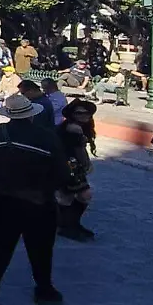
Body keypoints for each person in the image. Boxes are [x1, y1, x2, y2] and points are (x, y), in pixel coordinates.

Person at [0, 93, 69, 305]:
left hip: (3, 198)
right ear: (31, 115)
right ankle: (44, 289)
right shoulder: (47, 137)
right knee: (41, 249)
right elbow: (62, 173)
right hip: (38, 201)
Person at [56, 99, 97, 242]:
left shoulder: (77, 127)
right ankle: (66, 225)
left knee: (77, 195)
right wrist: (86, 164)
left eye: (86, 113)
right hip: (69, 166)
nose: (83, 115)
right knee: (73, 195)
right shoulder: (74, 128)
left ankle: (69, 224)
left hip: (68, 165)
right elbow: (79, 150)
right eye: (79, 113)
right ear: (73, 114)